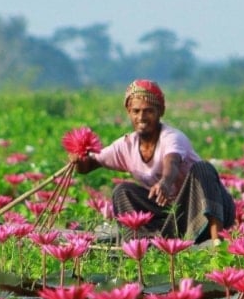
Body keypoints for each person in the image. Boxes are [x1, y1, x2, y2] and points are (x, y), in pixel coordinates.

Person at [73, 79, 235, 244]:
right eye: (136, 111)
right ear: (129, 112)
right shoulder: (125, 146)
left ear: (161, 112)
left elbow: (171, 162)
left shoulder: (172, 137)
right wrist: (78, 160)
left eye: (148, 111)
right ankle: (143, 244)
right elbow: (88, 165)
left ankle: (217, 243)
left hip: (203, 209)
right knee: (122, 191)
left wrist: (165, 182)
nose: (141, 117)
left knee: (203, 169)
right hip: (172, 217)